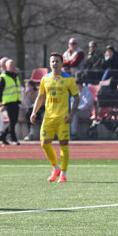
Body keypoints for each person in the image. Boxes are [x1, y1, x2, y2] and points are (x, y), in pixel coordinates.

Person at [30, 53, 79, 183]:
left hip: (63, 118)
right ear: (49, 63)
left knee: (63, 144)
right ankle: (56, 168)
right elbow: (40, 97)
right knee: (45, 144)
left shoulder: (69, 79)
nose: (55, 64)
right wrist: (34, 112)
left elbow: (77, 97)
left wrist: (72, 114)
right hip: (48, 117)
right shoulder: (45, 79)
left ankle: (63, 173)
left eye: (57, 61)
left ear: (62, 63)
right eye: (52, 61)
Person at [0, 59, 23, 145]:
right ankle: (13, 138)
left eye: (13, 65)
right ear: (6, 67)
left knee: (14, 121)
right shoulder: (4, 77)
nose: (12, 67)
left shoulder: (15, 76)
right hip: (8, 102)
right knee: (12, 120)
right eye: (11, 66)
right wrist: (2, 101)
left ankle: (3, 136)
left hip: (16, 101)